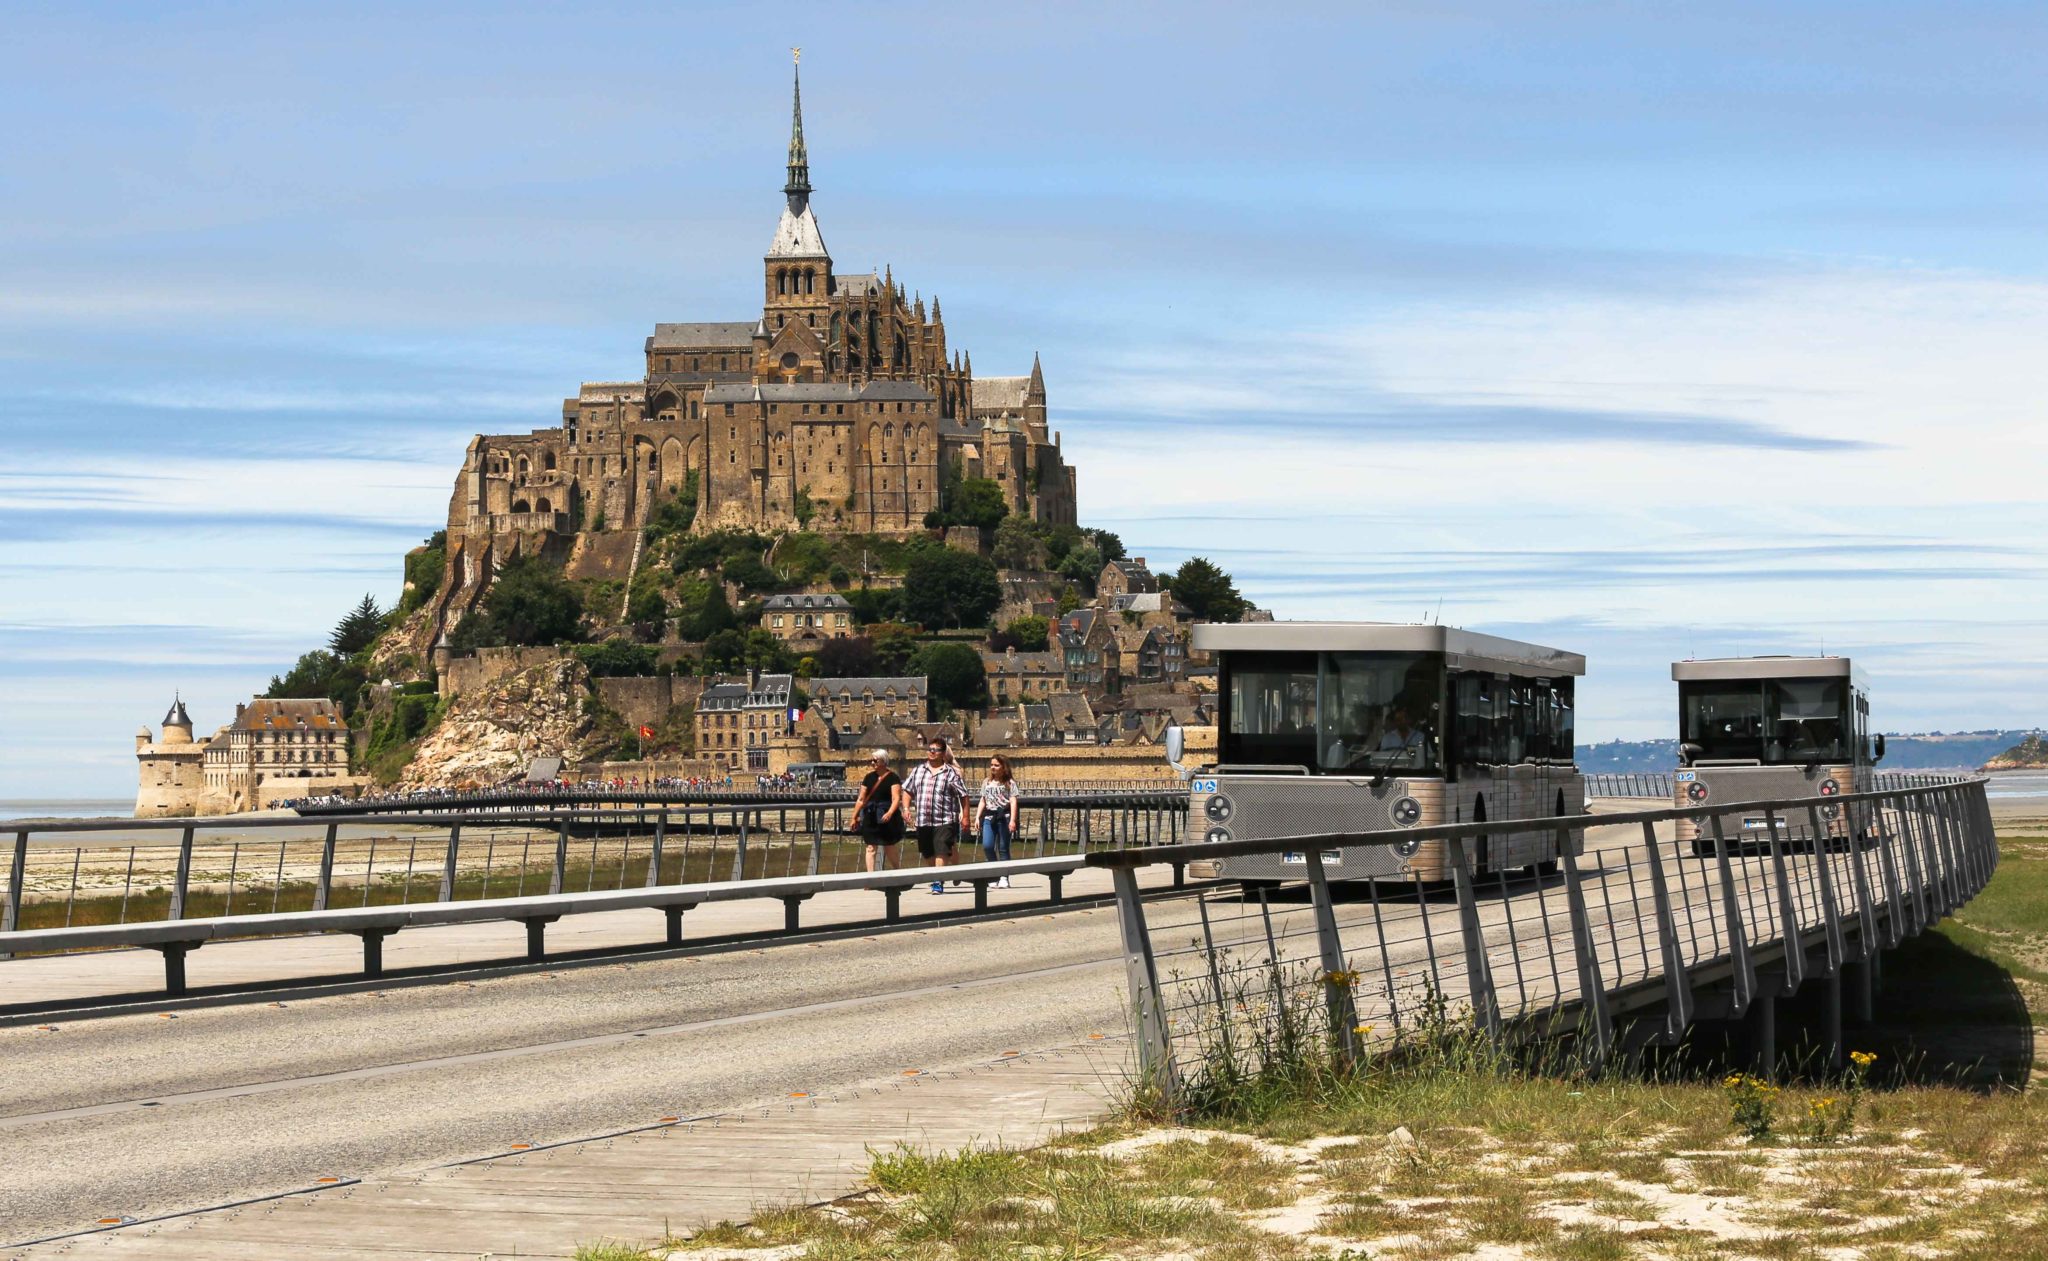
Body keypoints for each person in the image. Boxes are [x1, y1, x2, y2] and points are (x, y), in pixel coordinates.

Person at [901, 736, 970, 894]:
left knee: (941, 850)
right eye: (930, 749)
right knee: (927, 853)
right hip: (923, 820)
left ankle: (937, 881)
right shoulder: (918, 770)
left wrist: (966, 817)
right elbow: (907, 790)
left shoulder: (950, 773)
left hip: (945, 819)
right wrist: (905, 809)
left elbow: (963, 795)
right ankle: (940, 873)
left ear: (943, 753)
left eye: (936, 750)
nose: (932, 752)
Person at [851, 749, 905, 871]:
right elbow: (861, 799)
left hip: (886, 815)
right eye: (871, 760)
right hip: (871, 815)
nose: (872, 763)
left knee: (889, 846)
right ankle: (871, 878)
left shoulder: (893, 778)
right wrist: (853, 817)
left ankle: (898, 871)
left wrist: (890, 813)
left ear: (883, 761)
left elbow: (896, 798)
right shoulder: (868, 778)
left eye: (875, 760)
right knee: (870, 847)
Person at [976, 754, 1020, 888]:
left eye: (996, 765)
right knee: (987, 846)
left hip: (1004, 817)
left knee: (1003, 848)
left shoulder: (1010, 783)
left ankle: (1004, 877)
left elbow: (1013, 801)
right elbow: (983, 800)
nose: (993, 767)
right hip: (989, 817)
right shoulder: (986, 782)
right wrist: (977, 817)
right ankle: (994, 873)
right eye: (991, 765)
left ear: (1003, 767)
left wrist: (1013, 820)